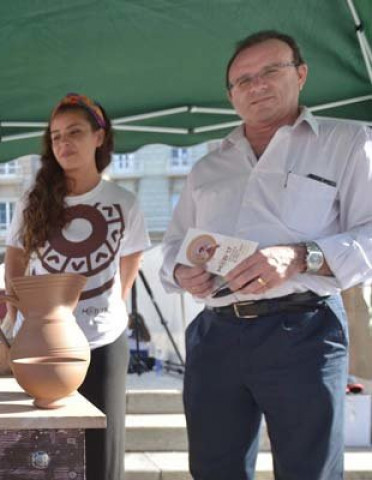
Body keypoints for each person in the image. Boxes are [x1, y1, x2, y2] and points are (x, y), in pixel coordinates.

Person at [160, 30, 372, 480]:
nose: (256, 85)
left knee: (308, 473)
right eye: (243, 80)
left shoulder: (349, 142)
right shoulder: (207, 166)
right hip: (215, 334)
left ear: (301, 74)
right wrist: (182, 272)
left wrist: (301, 256)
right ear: (231, 96)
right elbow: (174, 245)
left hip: (305, 328)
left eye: (270, 71)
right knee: (214, 471)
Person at [4, 92, 149, 480]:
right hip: (41, 345)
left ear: (99, 137)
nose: (64, 143)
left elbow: (129, 263)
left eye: (75, 132)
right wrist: (17, 315)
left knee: (103, 451)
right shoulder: (31, 200)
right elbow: (15, 260)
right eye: (56, 137)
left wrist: (108, 309)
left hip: (103, 341)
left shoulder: (124, 202)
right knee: (42, 449)